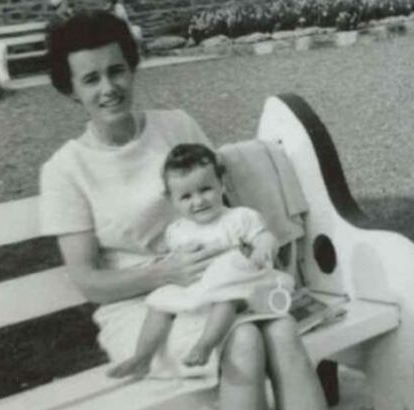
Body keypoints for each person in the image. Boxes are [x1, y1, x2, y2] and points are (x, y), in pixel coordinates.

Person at [40, 10, 390, 410]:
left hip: (224, 288)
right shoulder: (66, 169)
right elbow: (87, 280)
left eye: (116, 70)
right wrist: (164, 272)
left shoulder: (176, 125)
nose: (109, 87)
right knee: (249, 339)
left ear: (131, 68)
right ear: (70, 89)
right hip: (145, 309)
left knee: (278, 333)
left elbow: (224, 205)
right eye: (90, 78)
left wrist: (245, 260)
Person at [107, 144, 295, 379]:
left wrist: (263, 248)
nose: (198, 201)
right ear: (172, 201)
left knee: (225, 297)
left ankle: (205, 345)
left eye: (205, 189)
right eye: (186, 196)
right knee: (159, 302)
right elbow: (175, 260)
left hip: (235, 286)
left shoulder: (239, 217)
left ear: (221, 185)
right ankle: (142, 356)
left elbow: (264, 236)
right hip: (198, 286)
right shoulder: (177, 230)